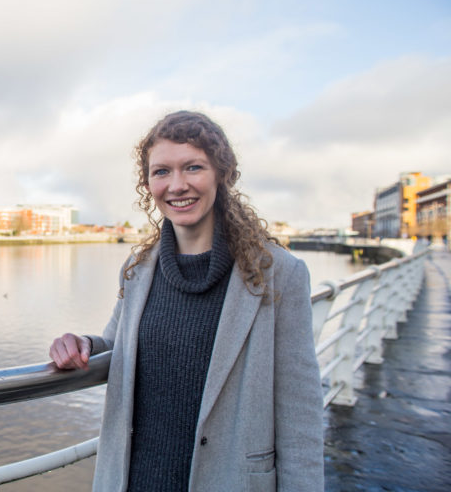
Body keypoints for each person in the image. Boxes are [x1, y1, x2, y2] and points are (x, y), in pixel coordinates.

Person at [49, 111, 323, 491]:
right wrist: (83, 346)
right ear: (148, 184)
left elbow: (300, 416)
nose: (177, 185)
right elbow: (117, 344)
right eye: (161, 172)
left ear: (221, 174)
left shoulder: (278, 273)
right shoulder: (139, 268)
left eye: (193, 167)